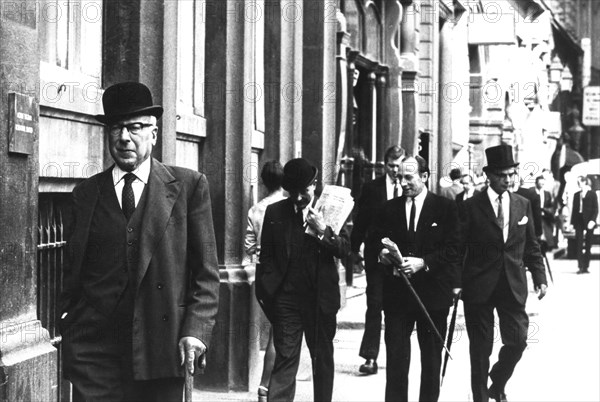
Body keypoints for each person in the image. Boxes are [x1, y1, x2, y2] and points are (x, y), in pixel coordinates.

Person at [59, 82, 220, 401]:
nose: (124, 137)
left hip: (160, 350)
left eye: (135, 127)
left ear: (154, 134)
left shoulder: (188, 187)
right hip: (94, 354)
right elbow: (72, 273)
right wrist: (70, 326)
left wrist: (196, 330)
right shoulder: (86, 194)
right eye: (116, 128)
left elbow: (206, 275)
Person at [256, 158, 350, 402]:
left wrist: (323, 231)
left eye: (304, 191)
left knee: (322, 359)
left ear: (314, 185)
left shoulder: (332, 209)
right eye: (293, 192)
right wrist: (269, 293)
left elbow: (345, 250)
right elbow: (265, 256)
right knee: (285, 358)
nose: (298, 198)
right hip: (287, 301)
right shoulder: (275, 212)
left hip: (320, 301)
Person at [459, 144, 547, 402]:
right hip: (478, 285)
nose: (508, 180)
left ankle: (496, 382)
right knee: (480, 348)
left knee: (518, 340)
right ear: (489, 175)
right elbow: (456, 247)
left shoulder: (523, 204)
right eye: (501, 175)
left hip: (512, 284)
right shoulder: (471, 206)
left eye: (511, 174)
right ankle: (480, 398)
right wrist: (455, 283)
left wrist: (540, 278)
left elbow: (531, 245)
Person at [370, 153, 461, 401]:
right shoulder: (388, 209)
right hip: (397, 297)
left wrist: (424, 263)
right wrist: (382, 255)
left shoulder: (445, 208)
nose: (403, 183)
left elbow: (454, 249)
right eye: (399, 178)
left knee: (431, 362)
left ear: (424, 176)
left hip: (433, 297)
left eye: (409, 177)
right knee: (396, 361)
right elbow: (372, 245)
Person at [351, 145, 405, 375]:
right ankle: (370, 357)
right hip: (375, 259)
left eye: (398, 166)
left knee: (397, 309)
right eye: (391, 166)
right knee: (374, 305)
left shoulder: (410, 188)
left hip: (401, 260)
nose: (395, 170)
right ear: (385, 165)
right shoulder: (372, 189)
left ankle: (396, 356)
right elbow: (361, 221)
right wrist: (354, 250)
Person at [244, 161, 286, 402]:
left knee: (275, 328)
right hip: (282, 273)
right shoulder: (287, 207)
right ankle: (266, 386)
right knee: (279, 332)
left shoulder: (255, 209)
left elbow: (249, 246)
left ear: (263, 181)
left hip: (263, 273)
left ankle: (266, 386)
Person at [571, 175, 598, 274]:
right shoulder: (576, 195)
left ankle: (586, 266)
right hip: (579, 221)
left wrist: (593, 221)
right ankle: (580, 266)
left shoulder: (592, 194)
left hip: (589, 221)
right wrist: (572, 223)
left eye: (580, 182)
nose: (579, 184)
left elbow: (595, 209)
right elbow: (574, 210)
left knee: (588, 244)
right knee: (578, 243)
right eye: (577, 182)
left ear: (584, 182)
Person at [534, 175, 556, 251]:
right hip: (535, 216)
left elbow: (550, 204)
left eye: (543, 184)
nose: (542, 185)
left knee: (547, 232)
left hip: (545, 215)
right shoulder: (532, 192)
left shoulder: (547, 193)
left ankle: (547, 246)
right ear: (536, 183)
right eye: (540, 184)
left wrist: (547, 210)